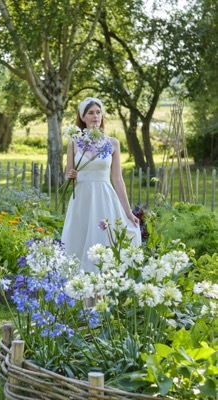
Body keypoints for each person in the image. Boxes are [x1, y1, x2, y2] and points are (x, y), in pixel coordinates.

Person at [61, 97, 142, 273]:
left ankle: (105, 285)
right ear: (83, 117)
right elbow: (69, 176)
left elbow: (118, 179)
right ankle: (80, 287)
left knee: (104, 240)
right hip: (82, 199)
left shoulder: (112, 143)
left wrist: (128, 212)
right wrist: (71, 175)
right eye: (90, 113)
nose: (95, 116)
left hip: (105, 198)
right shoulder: (74, 143)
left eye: (98, 112)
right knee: (79, 240)